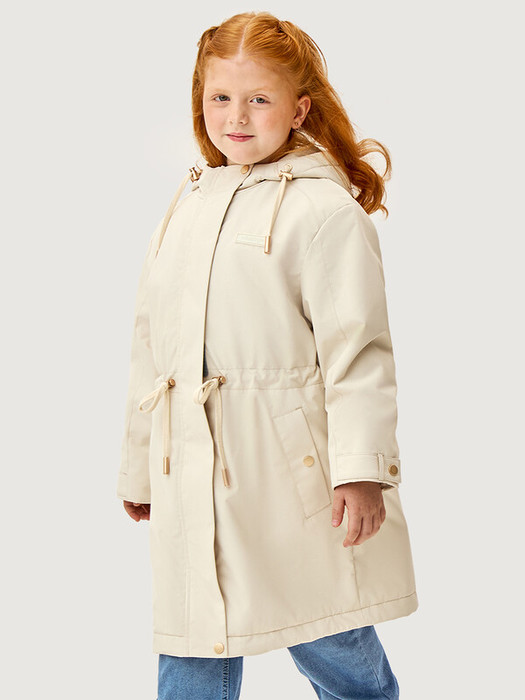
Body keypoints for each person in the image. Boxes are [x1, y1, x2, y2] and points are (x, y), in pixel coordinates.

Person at [117, 10, 418, 700]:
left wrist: (363, 470)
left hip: (289, 473)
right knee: (195, 631)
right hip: (191, 462)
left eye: (258, 98)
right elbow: (151, 346)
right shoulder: (188, 205)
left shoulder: (322, 212)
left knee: (324, 628)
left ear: (298, 109)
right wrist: (141, 464)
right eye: (220, 97)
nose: (236, 117)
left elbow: (358, 352)